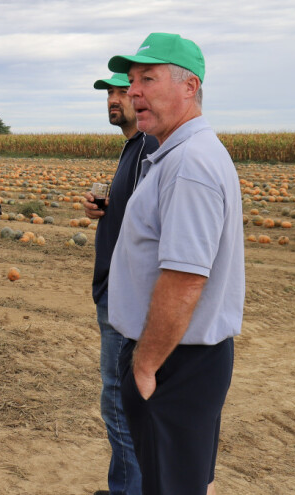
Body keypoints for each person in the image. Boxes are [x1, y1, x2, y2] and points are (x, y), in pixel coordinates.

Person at [107, 33, 245, 495]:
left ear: (190, 87)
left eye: (149, 78)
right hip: (177, 358)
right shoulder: (175, 153)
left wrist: (144, 368)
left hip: (172, 363)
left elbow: (185, 279)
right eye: (131, 82)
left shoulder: (189, 163)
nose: (134, 92)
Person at [83, 72, 159, 495]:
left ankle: (127, 490)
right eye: (109, 94)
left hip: (125, 295)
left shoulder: (148, 146)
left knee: (118, 400)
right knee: (122, 399)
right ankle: (126, 484)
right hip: (117, 289)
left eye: (120, 91)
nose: (114, 100)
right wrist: (105, 210)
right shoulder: (133, 146)